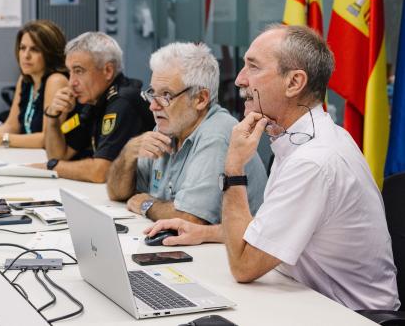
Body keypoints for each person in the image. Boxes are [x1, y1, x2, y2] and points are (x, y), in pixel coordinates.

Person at [145, 25, 400, 311]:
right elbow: (274, 232)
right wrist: (206, 233)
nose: (240, 79)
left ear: (294, 82)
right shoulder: (297, 135)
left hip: (350, 316)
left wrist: (234, 167)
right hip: (308, 300)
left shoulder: (313, 161)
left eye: (253, 67)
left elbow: (244, 266)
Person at [107, 42, 267, 223]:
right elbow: (117, 193)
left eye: (166, 95)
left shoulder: (217, 134)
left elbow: (191, 218)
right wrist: (129, 153)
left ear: (200, 99)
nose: (153, 105)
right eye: (152, 93)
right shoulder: (169, 127)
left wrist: (146, 205)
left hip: (227, 250)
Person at [35, 32, 155, 183]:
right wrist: (53, 118)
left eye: (79, 71)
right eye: (69, 72)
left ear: (108, 71)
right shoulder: (94, 101)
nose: (71, 82)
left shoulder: (122, 102)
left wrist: (51, 167)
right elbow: (59, 155)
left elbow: (100, 172)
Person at [0, 20, 69, 148]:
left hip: (49, 160)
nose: (26, 55)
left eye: (35, 49)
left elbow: (47, 139)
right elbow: (12, 126)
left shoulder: (56, 81)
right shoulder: (26, 79)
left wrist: (0, 139)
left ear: (49, 53)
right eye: (22, 48)